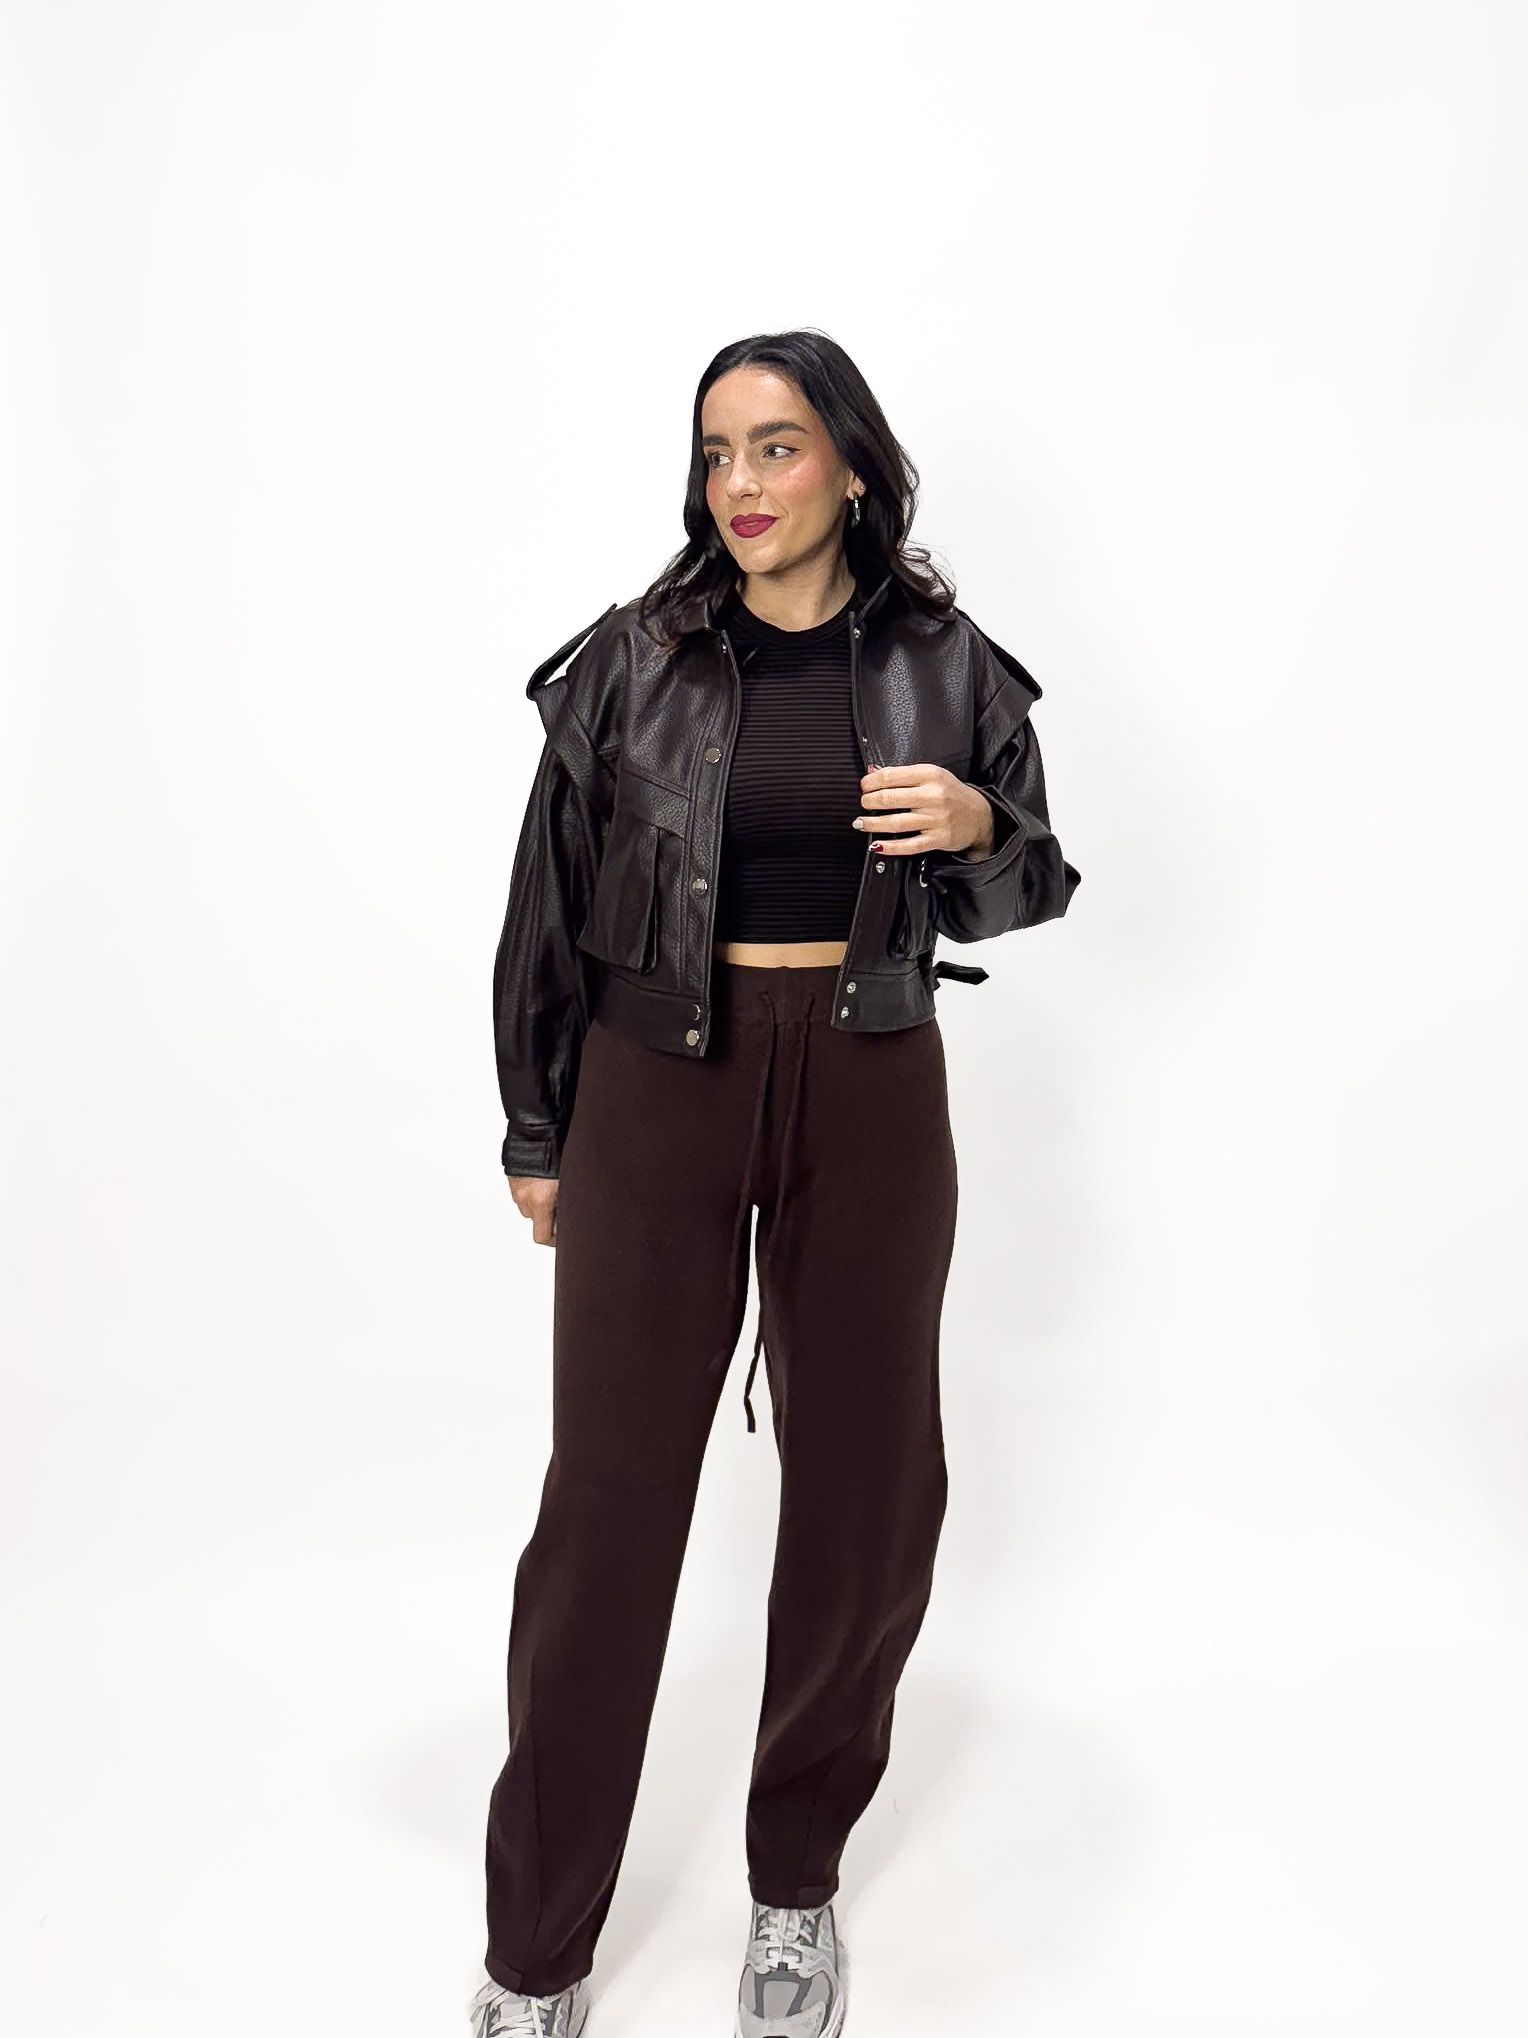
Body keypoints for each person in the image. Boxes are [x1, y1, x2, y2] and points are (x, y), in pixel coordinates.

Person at [468, 329, 1081, 2038]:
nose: (740, 483)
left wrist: (977, 828)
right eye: (717, 451)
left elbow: (1034, 883)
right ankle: (537, 1946)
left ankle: (795, 1881)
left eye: (779, 446)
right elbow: (544, 905)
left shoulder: (949, 664)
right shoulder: (633, 659)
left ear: (853, 467)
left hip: (873, 1081)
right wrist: (536, 1129)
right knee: (607, 1510)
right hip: (658, 1085)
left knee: (869, 1497)